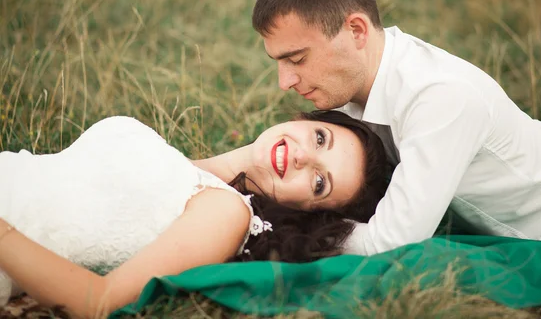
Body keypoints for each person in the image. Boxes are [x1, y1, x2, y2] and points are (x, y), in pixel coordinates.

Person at [252, 0, 541, 256]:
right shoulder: (344, 83)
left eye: (297, 60)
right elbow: (262, 160)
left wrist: (270, 230)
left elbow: (388, 243)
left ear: (356, 31)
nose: (285, 82)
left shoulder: (440, 98)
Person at [0, 110, 392, 317]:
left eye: (319, 182)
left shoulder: (225, 212)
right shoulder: (183, 168)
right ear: (308, 119)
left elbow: (97, 302)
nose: (304, 155)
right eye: (320, 138)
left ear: (306, 210)